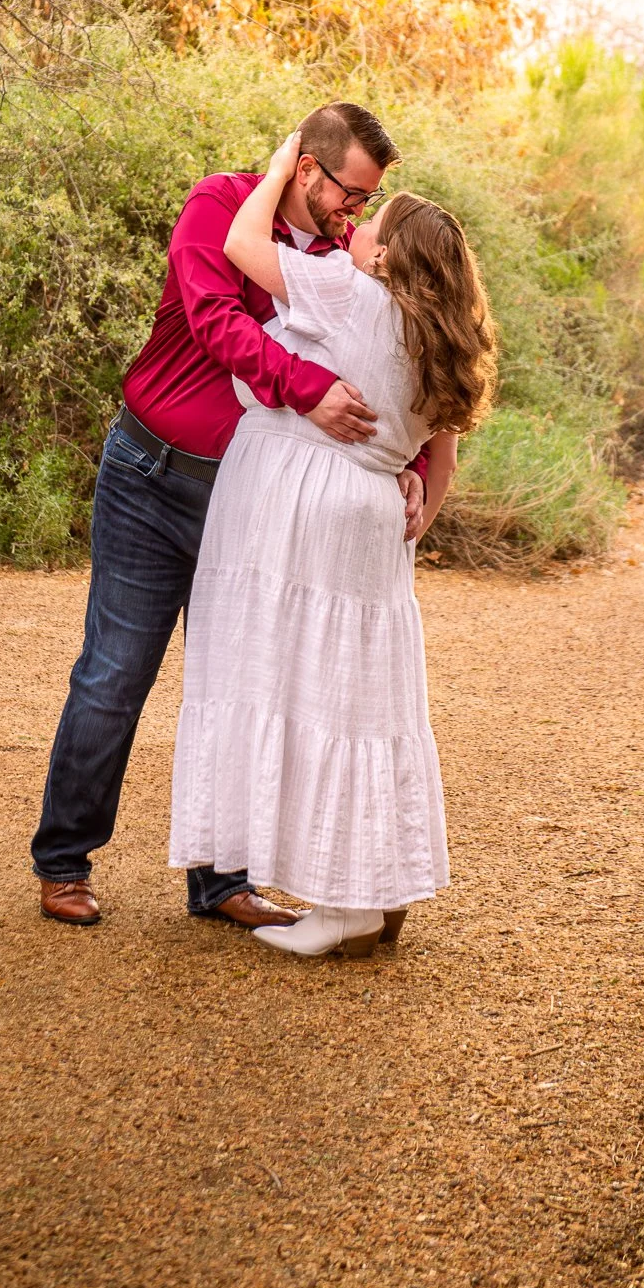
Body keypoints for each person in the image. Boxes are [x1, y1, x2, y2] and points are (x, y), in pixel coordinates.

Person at [31, 102, 430, 928]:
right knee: (113, 675)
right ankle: (64, 861)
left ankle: (220, 883)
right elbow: (216, 322)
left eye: (368, 201)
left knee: (247, 681)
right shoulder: (218, 205)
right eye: (348, 193)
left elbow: (404, 348)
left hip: (250, 502)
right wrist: (307, 388)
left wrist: (414, 461)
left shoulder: (342, 258)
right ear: (306, 167)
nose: (354, 212)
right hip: (150, 475)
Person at [169, 130, 496, 958]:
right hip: (372, 522)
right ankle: (376, 887)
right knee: (359, 703)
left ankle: (340, 903)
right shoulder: (443, 339)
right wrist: (407, 487)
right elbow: (442, 464)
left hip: (298, 500)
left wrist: (282, 166)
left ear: (386, 256)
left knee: (292, 687)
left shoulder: (349, 292)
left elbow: (241, 246)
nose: (351, 229)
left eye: (367, 222)